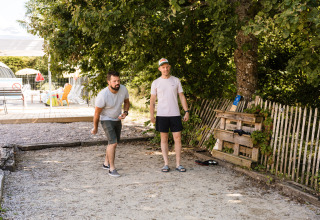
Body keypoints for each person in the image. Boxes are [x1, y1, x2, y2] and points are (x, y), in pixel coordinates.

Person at [150, 58, 189, 173]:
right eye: (163, 67)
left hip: (175, 114)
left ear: (169, 67)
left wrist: (186, 111)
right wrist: (152, 115)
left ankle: (178, 164)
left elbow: (181, 96)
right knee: (164, 139)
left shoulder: (176, 81)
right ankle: (166, 164)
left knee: (178, 138)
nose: (165, 69)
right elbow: (152, 100)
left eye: (167, 66)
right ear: (159, 69)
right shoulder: (156, 82)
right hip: (162, 115)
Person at [91, 71, 130, 177]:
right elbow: (96, 113)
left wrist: (125, 113)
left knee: (113, 142)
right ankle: (112, 169)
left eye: (118, 80)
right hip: (106, 119)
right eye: (114, 81)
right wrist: (95, 127)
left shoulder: (123, 89)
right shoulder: (103, 95)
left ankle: (106, 163)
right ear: (109, 82)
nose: (117, 83)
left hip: (117, 119)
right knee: (113, 143)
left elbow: (126, 102)